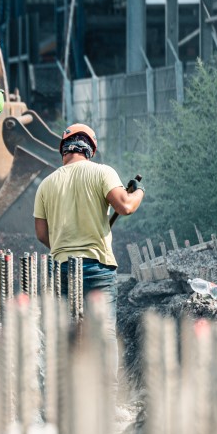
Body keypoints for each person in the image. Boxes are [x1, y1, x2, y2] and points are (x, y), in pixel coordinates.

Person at [33, 124, 144, 371]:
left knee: (69, 336)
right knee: (102, 337)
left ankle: (69, 397)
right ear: (89, 150)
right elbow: (125, 206)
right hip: (97, 268)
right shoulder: (103, 173)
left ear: (64, 150)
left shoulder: (46, 185)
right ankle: (105, 400)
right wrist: (139, 193)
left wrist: (64, 245)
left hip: (62, 269)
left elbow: (42, 234)